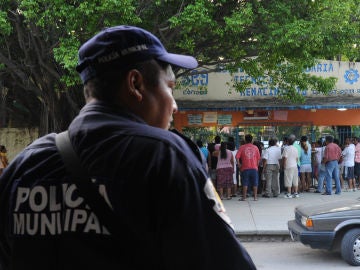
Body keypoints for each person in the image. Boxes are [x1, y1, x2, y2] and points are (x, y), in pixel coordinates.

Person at [0, 26, 256, 270]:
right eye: (170, 88)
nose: (175, 106)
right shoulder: (165, 157)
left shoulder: (26, 164)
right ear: (135, 84)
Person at [236, 134, 261, 201]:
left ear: (245, 140)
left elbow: (237, 157)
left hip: (245, 168)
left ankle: (244, 197)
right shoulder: (255, 147)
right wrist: (257, 165)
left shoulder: (242, 147)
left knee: (245, 183)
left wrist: (239, 164)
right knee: (255, 183)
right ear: (252, 140)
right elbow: (258, 158)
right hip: (254, 168)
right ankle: (255, 198)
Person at [282, 134, 299, 198]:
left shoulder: (286, 148)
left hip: (288, 166)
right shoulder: (295, 149)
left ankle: (289, 193)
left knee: (288, 179)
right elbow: (297, 158)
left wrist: (284, 165)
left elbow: (285, 158)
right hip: (295, 165)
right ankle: (296, 193)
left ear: (288, 142)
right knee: (295, 179)